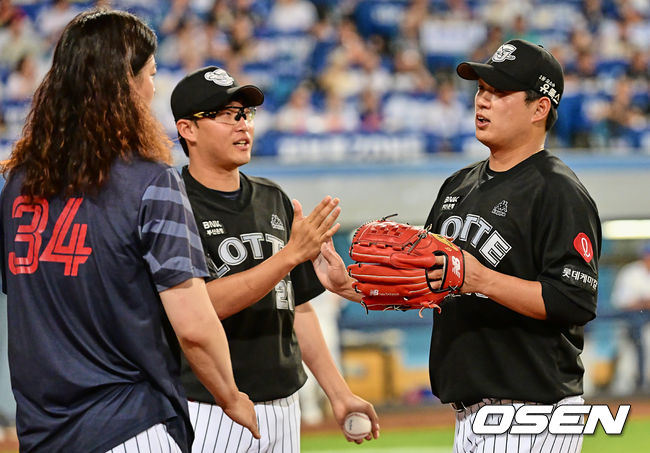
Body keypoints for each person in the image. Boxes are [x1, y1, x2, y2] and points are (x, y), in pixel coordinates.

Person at [315, 39, 601, 453]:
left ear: (540, 108)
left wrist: (479, 277)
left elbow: (574, 301)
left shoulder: (558, 190)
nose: (482, 101)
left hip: (533, 411)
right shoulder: (458, 185)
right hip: (468, 412)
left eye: (499, 92)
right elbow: (428, 284)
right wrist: (351, 287)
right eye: (481, 90)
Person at [0, 10, 259, 453]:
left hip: (42, 432)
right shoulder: (151, 182)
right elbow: (193, 324)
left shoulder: (18, 184)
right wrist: (232, 396)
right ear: (126, 84)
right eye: (151, 73)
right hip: (129, 424)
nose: (153, 88)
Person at [170, 66, 379, 453]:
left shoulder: (273, 197)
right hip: (209, 406)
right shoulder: (172, 203)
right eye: (226, 115)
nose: (242, 125)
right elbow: (199, 308)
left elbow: (297, 308)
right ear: (188, 129)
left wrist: (339, 393)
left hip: (284, 404)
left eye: (245, 114)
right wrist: (287, 257)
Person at [610, 242, 650, 390]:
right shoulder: (630, 272)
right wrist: (641, 303)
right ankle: (638, 381)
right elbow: (620, 301)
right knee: (636, 337)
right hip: (631, 318)